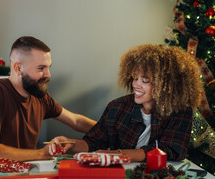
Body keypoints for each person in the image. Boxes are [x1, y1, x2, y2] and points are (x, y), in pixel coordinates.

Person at [49, 44, 203, 162]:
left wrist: (119, 154)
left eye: (145, 80)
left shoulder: (181, 111)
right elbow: (94, 141)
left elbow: (171, 151)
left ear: (167, 84)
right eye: (135, 78)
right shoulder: (117, 107)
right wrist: (70, 143)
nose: (136, 84)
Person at [0, 36, 97, 161]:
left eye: (49, 67)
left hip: (25, 174)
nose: (48, 74)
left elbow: (75, 121)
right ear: (18, 68)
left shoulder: (38, 95)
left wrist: (110, 130)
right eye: (41, 68)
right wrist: (42, 154)